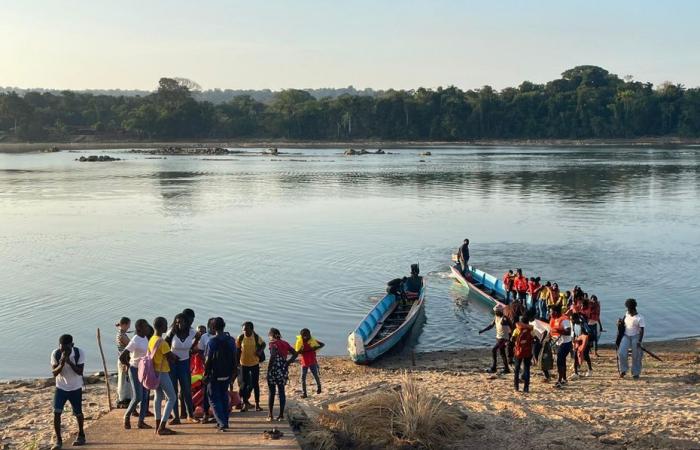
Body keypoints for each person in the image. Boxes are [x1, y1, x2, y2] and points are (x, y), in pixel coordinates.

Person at [50, 334, 86, 450]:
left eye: (67, 348)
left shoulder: (79, 353)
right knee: (56, 412)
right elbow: (55, 373)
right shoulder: (56, 353)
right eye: (62, 348)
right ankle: (59, 441)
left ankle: (81, 435)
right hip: (61, 387)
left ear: (72, 345)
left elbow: (80, 372)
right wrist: (62, 363)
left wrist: (69, 362)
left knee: (78, 413)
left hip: (75, 387)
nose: (64, 350)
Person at [204, 317, 237, 431]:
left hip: (214, 375)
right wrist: (234, 372)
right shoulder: (231, 340)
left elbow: (208, 360)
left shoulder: (212, 341)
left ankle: (222, 422)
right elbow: (234, 357)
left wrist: (205, 374)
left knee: (213, 399)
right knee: (223, 397)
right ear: (224, 325)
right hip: (227, 374)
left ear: (213, 328)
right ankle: (224, 421)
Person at [119, 319, 152, 430]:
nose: (148, 328)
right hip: (134, 369)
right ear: (140, 328)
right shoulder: (135, 340)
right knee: (138, 396)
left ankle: (141, 421)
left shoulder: (145, 338)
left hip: (144, 370)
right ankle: (127, 416)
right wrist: (129, 365)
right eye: (146, 327)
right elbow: (122, 356)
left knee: (145, 396)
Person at [167, 313, 198, 424]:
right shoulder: (172, 332)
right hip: (173, 365)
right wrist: (171, 355)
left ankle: (190, 415)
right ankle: (176, 417)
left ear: (186, 322)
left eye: (182, 322)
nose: (179, 324)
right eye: (177, 322)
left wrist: (192, 347)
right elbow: (165, 345)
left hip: (185, 364)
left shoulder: (192, 332)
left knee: (186, 390)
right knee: (173, 391)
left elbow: (199, 336)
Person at [149, 317, 178, 436]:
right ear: (161, 327)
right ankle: (162, 426)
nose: (167, 327)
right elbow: (171, 357)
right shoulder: (163, 342)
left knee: (158, 397)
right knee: (172, 398)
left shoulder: (152, 339)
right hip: (162, 373)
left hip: (154, 372)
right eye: (166, 325)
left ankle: (157, 426)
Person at [266, 328, 298, 421]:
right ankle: (281, 415)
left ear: (272, 336)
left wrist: (268, 369)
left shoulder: (273, 344)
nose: (269, 338)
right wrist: (288, 362)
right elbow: (295, 353)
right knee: (281, 391)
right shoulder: (285, 343)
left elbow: (272, 356)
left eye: (270, 336)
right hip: (283, 369)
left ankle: (270, 415)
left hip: (274, 370)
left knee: (271, 392)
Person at [237, 321, 266, 411]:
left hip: (254, 364)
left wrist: (259, 351)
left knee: (255, 384)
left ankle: (257, 404)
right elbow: (238, 350)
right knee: (244, 384)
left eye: (246, 330)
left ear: (251, 329)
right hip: (243, 364)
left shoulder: (256, 337)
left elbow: (263, 344)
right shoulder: (240, 337)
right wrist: (236, 363)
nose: (244, 332)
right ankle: (244, 403)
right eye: (243, 330)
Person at [479, 306, 511, 374]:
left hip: (504, 338)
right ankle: (506, 368)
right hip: (498, 338)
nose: (495, 312)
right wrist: (483, 330)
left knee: (494, 350)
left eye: (496, 311)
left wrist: (509, 339)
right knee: (502, 353)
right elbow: (491, 325)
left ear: (500, 311)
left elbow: (511, 328)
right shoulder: (496, 317)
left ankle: (494, 368)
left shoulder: (504, 319)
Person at [618, 298, 645, 379]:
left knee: (636, 355)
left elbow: (642, 330)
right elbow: (623, 323)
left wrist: (639, 341)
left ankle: (636, 373)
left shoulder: (640, 318)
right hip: (626, 336)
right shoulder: (626, 314)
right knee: (621, 353)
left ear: (633, 309)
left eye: (629, 309)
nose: (627, 310)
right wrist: (619, 323)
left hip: (635, 337)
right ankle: (623, 370)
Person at [295, 328, 325, 398]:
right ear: (301, 336)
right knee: (303, 378)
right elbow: (297, 351)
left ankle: (319, 388)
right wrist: (301, 351)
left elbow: (322, 344)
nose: (305, 337)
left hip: (312, 361)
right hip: (304, 362)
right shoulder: (300, 342)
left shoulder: (312, 341)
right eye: (303, 336)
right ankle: (304, 393)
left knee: (315, 375)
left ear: (309, 335)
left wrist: (315, 347)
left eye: (306, 336)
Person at [549, 305, 572, 388]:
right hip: (558, 343)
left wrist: (558, 330)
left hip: (565, 343)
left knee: (560, 362)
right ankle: (564, 379)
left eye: (550, 311)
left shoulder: (564, 320)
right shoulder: (553, 319)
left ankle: (559, 381)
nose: (549, 313)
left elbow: (568, 332)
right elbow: (551, 330)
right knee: (562, 362)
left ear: (555, 312)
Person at [511, 315, 534, 393]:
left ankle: (516, 386)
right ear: (528, 322)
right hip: (528, 351)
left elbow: (512, 339)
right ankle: (526, 388)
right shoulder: (531, 329)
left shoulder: (517, 329)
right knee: (527, 369)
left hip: (518, 351)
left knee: (517, 369)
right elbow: (534, 339)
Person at [115, 317, 132, 408]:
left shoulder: (120, 333)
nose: (129, 327)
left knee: (124, 379)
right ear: (124, 324)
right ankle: (124, 398)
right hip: (124, 360)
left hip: (122, 359)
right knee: (124, 380)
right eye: (128, 325)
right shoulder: (122, 336)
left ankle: (125, 397)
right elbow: (130, 345)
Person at [571, 313, 593, 377]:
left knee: (586, 356)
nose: (571, 320)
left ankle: (590, 369)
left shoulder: (583, 324)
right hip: (578, 342)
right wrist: (573, 340)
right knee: (575, 356)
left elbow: (589, 332)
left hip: (585, 343)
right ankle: (575, 372)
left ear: (576, 319)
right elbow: (574, 333)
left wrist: (583, 336)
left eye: (572, 319)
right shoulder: (574, 324)